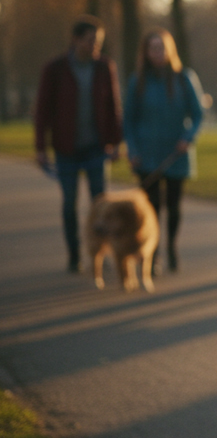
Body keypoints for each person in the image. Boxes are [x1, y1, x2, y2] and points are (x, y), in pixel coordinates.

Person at [34, 15, 123, 272]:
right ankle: (74, 253)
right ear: (75, 40)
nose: (95, 46)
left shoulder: (104, 67)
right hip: (66, 148)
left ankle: (99, 251)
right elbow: (42, 110)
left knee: (100, 204)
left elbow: (113, 107)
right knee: (69, 202)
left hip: (96, 147)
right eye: (90, 40)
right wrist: (40, 148)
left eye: (98, 42)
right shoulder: (55, 69)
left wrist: (116, 142)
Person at [123, 28, 205, 272]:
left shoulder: (184, 78)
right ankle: (153, 252)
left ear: (170, 50)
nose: (157, 53)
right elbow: (128, 120)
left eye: (161, 48)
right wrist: (133, 150)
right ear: (146, 52)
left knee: (174, 206)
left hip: (176, 154)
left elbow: (199, 114)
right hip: (146, 154)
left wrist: (188, 137)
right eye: (153, 48)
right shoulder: (137, 82)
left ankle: (172, 246)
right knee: (151, 207)